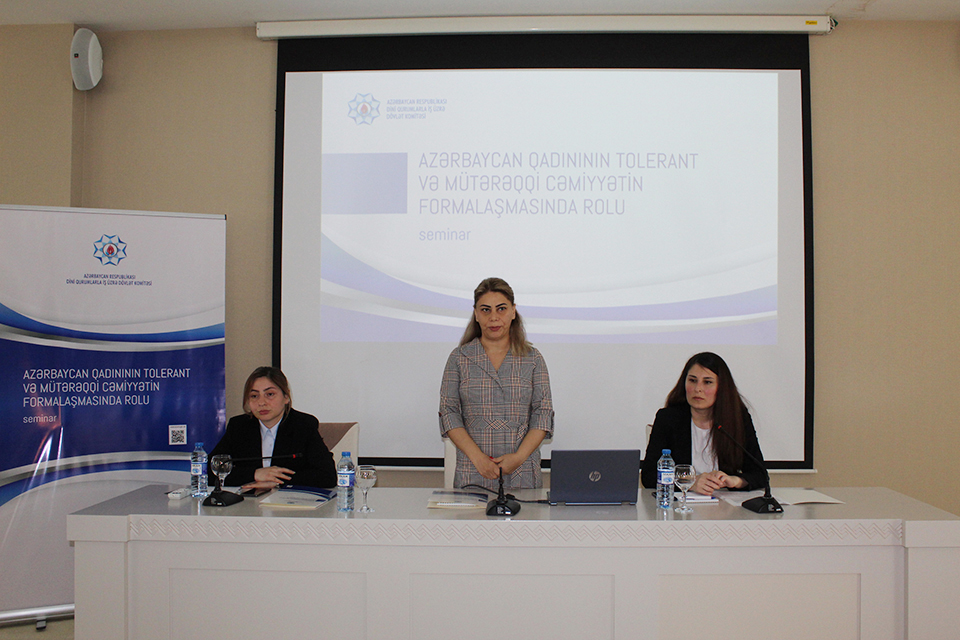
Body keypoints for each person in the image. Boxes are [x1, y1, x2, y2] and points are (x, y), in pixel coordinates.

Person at [439, 277, 554, 490]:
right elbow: (449, 412)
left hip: (522, 471)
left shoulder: (533, 358)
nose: (493, 317)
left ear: (513, 312)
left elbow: (543, 413)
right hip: (473, 470)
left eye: (501, 309)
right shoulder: (459, 358)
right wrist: (479, 459)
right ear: (476, 314)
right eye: (485, 310)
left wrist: (518, 457)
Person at [641, 352, 767, 495]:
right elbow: (649, 476)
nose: (697, 389)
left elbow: (760, 475)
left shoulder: (738, 419)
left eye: (707, 382)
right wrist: (690, 482)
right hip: (681, 504)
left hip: (724, 504)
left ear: (722, 387)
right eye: (692, 380)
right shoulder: (668, 418)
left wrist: (735, 481)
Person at [209, 366, 336, 490]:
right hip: (248, 501)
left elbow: (327, 476)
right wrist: (255, 474)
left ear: (286, 397)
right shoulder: (239, 426)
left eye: (270, 394)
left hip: (289, 501)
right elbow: (209, 471)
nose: (261, 402)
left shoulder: (303, 425)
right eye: (254, 396)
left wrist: (276, 482)